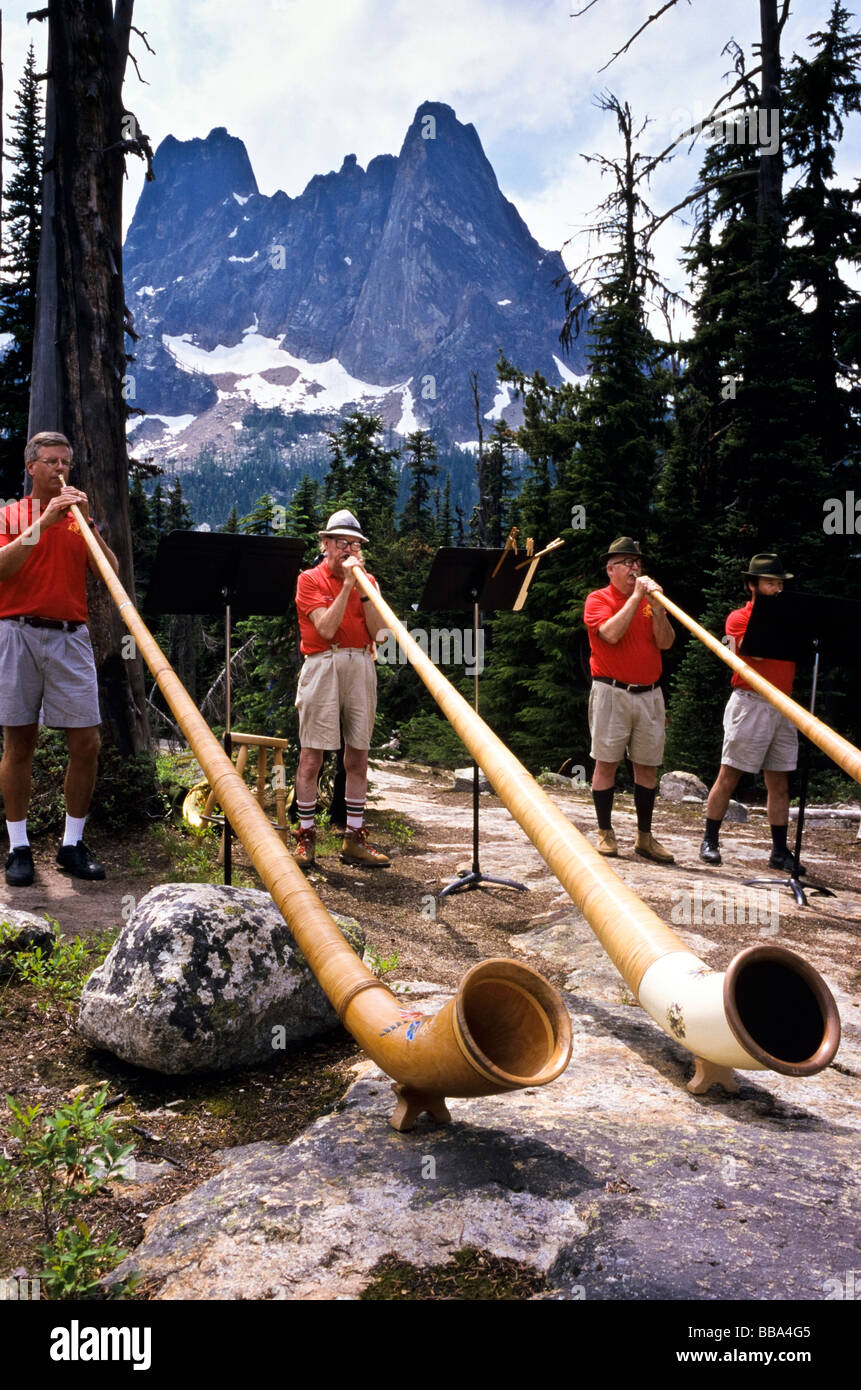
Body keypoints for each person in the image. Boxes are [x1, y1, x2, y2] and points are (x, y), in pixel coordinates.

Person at [0, 432, 119, 887]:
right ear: (30, 467)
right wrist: (45, 522)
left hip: (70, 636)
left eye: (65, 462)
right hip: (16, 632)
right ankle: (19, 846)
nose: (60, 470)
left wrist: (86, 523)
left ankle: (71, 844)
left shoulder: (79, 522)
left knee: (86, 740)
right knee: (19, 743)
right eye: (50, 462)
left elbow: (109, 575)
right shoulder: (11, 514)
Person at [292, 509, 390, 869]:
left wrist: (363, 589)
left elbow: (380, 634)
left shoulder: (370, 582)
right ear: (327, 544)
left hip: (361, 662)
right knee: (312, 756)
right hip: (323, 663)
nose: (349, 550)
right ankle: (305, 837)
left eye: (355, 544)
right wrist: (349, 584)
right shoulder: (309, 580)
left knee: (357, 756)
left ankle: (354, 838)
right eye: (342, 543)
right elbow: (327, 629)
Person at [699, 553, 801, 871]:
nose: (776, 589)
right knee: (730, 773)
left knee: (780, 781)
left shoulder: (791, 617)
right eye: (770, 583)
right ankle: (710, 840)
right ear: (752, 585)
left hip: (784, 704)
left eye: (779, 584)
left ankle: (779, 851)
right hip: (751, 702)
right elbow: (747, 651)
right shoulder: (738, 618)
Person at [583, 536, 676, 863]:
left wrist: (661, 612)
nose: (634, 568)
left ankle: (645, 838)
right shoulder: (598, 599)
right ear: (610, 570)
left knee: (647, 767)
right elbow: (610, 633)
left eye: (637, 563)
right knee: (606, 762)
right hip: (612, 691)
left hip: (649, 694)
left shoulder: (650, 602)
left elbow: (665, 643)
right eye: (626, 563)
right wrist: (637, 597)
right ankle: (605, 832)